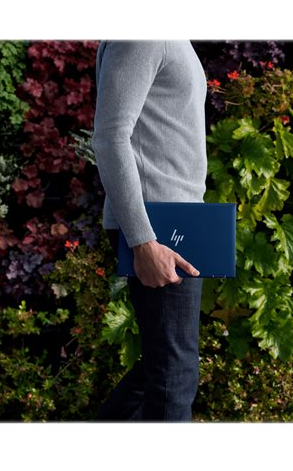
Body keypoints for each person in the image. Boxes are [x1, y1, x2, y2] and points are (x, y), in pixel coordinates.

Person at [91, 40, 208, 421]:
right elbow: (110, 137)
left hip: (180, 221)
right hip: (158, 225)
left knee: (164, 366)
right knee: (174, 373)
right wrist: (143, 239)